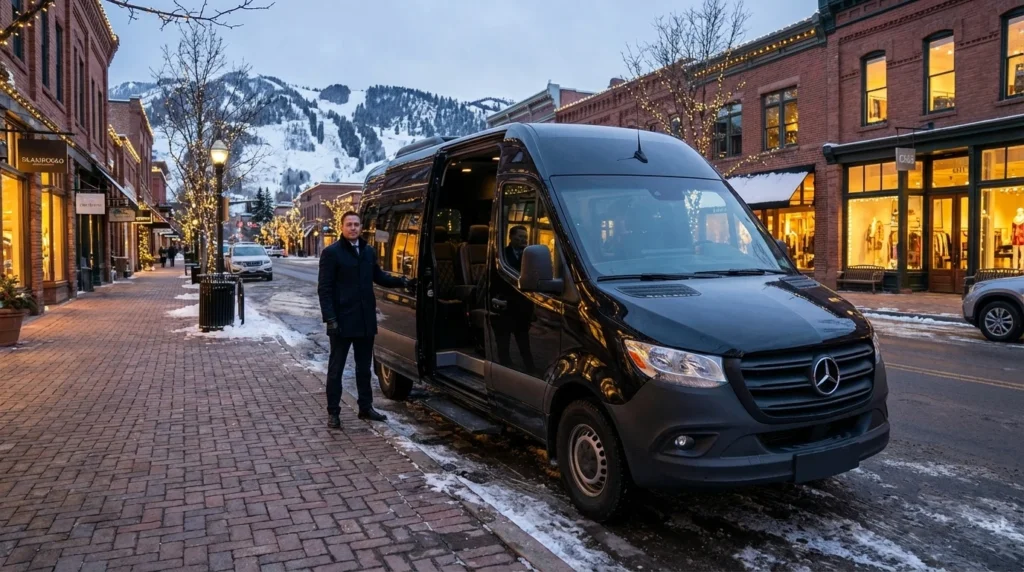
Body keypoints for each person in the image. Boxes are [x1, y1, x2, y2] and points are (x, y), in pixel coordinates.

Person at [317, 211, 413, 429]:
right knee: (336, 369)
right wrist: (330, 318)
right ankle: (333, 412)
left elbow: (379, 277)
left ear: (361, 227)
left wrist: (403, 281)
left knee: (364, 368)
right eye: (349, 224)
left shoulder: (368, 251)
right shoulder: (332, 253)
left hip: (365, 320)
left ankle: (365, 407)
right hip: (341, 321)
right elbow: (324, 289)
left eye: (356, 224)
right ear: (342, 227)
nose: (353, 228)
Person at [492, 225, 537, 374]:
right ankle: (504, 370)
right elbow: (495, 278)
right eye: (520, 237)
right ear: (511, 237)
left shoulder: (531, 256)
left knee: (524, 341)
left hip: (523, 304)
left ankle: (530, 369)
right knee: (503, 341)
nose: (524, 240)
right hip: (505, 303)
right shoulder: (501, 256)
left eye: (525, 237)